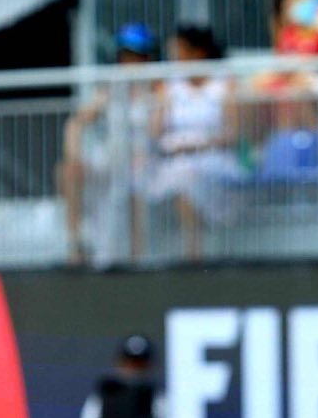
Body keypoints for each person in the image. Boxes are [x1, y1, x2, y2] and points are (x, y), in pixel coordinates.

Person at [141, 24, 242, 263]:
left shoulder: (225, 85)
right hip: (176, 161)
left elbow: (234, 134)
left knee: (187, 177)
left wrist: (198, 145)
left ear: (198, 54)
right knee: (149, 179)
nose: (175, 59)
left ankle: (193, 254)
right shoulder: (169, 88)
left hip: (215, 161)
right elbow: (154, 133)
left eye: (180, 52)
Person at [58, 21, 157, 266]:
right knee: (68, 172)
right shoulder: (110, 89)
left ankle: (137, 259)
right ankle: (76, 244)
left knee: (135, 185)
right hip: (112, 160)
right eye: (125, 56)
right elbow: (75, 124)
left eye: (135, 56)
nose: (129, 62)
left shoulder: (157, 90)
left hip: (146, 161)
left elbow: (156, 134)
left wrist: (142, 155)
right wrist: (74, 156)